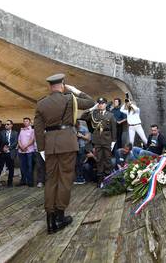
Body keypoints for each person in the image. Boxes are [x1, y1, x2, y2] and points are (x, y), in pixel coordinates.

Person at [34, 73, 94, 234]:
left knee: (51, 180)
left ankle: (50, 221)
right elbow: (91, 102)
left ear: (50, 86)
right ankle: (60, 217)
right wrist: (76, 90)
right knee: (65, 179)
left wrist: (41, 149)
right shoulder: (70, 99)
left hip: (49, 145)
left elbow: (38, 129)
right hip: (67, 143)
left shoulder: (41, 103)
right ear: (62, 85)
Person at [81, 97, 117, 187]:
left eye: (102, 103)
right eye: (99, 104)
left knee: (108, 160)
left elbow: (114, 129)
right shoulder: (94, 114)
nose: (101, 105)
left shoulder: (110, 115)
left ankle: (108, 179)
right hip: (97, 140)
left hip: (107, 140)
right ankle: (100, 180)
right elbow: (83, 116)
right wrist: (92, 108)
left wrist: (113, 141)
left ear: (105, 104)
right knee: (99, 160)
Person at [17, 117, 36, 187]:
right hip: (21, 151)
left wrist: (25, 147)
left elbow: (32, 140)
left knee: (29, 167)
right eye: (24, 121)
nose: (25, 122)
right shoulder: (22, 130)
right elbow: (18, 140)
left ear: (30, 122)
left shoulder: (32, 130)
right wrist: (21, 146)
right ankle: (23, 181)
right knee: (22, 167)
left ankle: (30, 182)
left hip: (29, 151)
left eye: (27, 121)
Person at [1, 120, 18, 187]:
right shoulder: (2, 132)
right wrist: (3, 148)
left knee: (11, 168)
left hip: (11, 152)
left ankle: (10, 182)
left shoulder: (15, 133)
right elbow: (0, 141)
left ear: (11, 125)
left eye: (8, 124)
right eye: (5, 124)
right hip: (3, 152)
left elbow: (15, 142)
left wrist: (9, 148)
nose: (6, 125)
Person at [74, 120, 91, 185]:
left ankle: (81, 178)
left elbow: (88, 138)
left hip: (81, 147)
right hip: (74, 147)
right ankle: (77, 178)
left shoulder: (83, 128)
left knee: (81, 163)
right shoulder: (71, 129)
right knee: (75, 163)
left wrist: (81, 136)